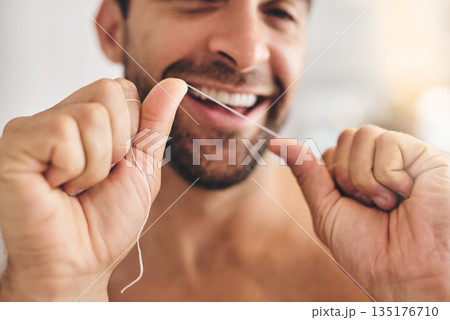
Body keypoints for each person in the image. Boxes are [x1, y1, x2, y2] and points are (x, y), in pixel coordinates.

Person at [0, 0, 449, 302]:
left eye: (278, 12)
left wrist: (428, 297)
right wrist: (51, 294)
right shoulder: (26, 248)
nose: (248, 51)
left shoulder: (397, 264)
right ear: (112, 28)